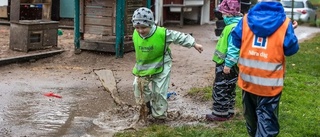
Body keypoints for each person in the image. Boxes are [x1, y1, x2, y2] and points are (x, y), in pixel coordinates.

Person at [228, 0, 299, 136]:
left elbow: (236, 42)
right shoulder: (284, 23)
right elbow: (291, 49)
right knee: (267, 119)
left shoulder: (245, 20)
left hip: (248, 80)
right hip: (270, 83)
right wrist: (290, 31)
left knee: (251, 116)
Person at [131, 7, 203, 120]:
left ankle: (159, 117)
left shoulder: (162, 33)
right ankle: (146, 107)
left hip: (162, 64)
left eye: (144, 27)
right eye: (137, 27)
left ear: (150, 24)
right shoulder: (136, 33)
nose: (140, 30)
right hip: (143, 67)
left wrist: (193, 43)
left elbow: (178, 36)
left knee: (159, 91)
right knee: (138, 86)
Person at [206, 0, 242, 121]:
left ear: (230, 14)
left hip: (226, 64)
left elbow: (234, 48)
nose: (223, 16)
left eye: (224, 14)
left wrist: (228, 64)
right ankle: (229, 110)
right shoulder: (238, 25)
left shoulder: (232, 28)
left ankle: (220, 113)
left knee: (221, 87)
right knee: (230, 86)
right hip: (231, 63)